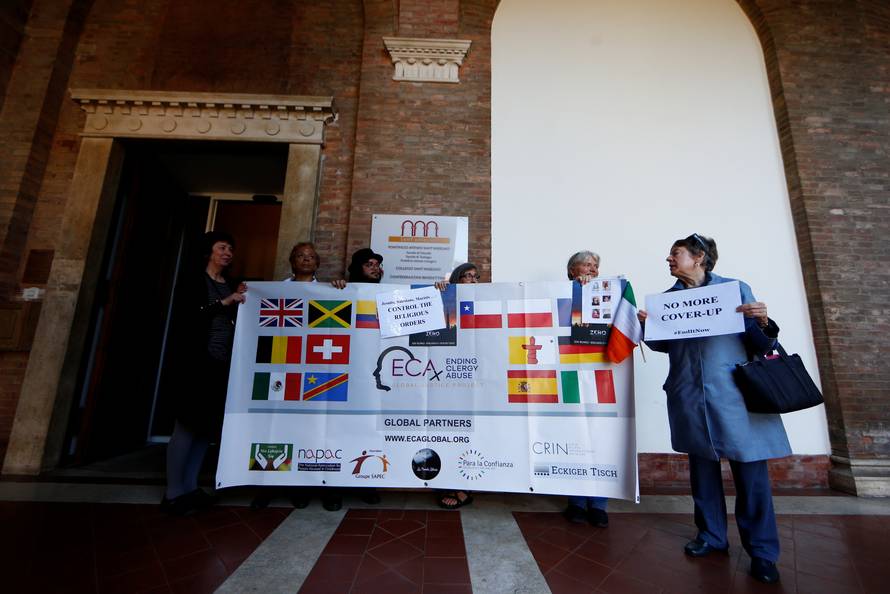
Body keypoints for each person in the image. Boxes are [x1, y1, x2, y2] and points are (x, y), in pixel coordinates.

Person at [637, 233, 789, 585]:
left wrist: (763, 321)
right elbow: (663, 345)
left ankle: (763, 553)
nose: (669, 260)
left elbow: (762, 343)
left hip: (735, 396)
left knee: (751, 478)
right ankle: (711, 537)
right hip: (690, 394)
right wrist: (649, 325)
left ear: (700, 257)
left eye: (675, 254)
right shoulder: (668, 299)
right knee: (702, 472)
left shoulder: (735, 290)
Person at [163, 231, 247, 516]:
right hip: (194, 363)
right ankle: (173, 493)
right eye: (222, 247)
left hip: (221, 363)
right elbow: (187, 316)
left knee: (205, 428)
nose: (228, 253)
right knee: (186, 425)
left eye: (231, 249)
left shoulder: (233, 285)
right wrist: (225, 303)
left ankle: (191, 486)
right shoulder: (193, 280)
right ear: (208, 251)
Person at [561, 250, 610, 528]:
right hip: (568, 371)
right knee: (573, 435)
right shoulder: (557, 292)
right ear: (571, 270)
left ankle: (599, 504)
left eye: (595, 265)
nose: (591, 269)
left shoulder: (611, 293)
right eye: (586, 264)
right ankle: (576, 502)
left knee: (601, 436)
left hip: (603, 374)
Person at [434, 262, 480, 509]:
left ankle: (463, 484)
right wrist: (439, 291)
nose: (472, 280)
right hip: (444, 374)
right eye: (466, 276)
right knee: (445, 432)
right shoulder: (445, 297)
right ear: (456, 278)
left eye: (475, 277)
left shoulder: (484, 300)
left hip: (471, 375)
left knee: (467, 434)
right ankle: (447, 485)